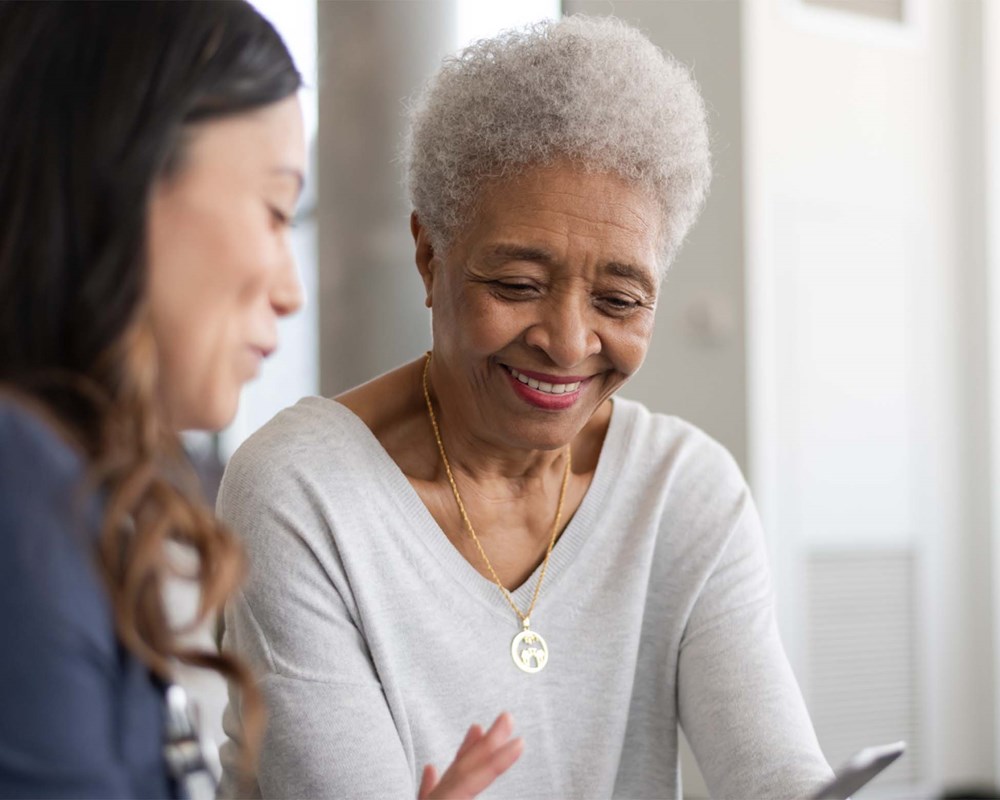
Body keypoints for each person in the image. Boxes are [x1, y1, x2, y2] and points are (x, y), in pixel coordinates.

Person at [216, 14, 835, 800]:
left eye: (619, 298)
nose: (570, 343)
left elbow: (778, 776)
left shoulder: (685, 493)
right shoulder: (302, 491)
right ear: (429, 256)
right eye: (516, 286)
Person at [0, 3, 518, 799]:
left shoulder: (70, 494)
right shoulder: (19, 489)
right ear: (125, 178)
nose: (289, 290)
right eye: (275, 211)